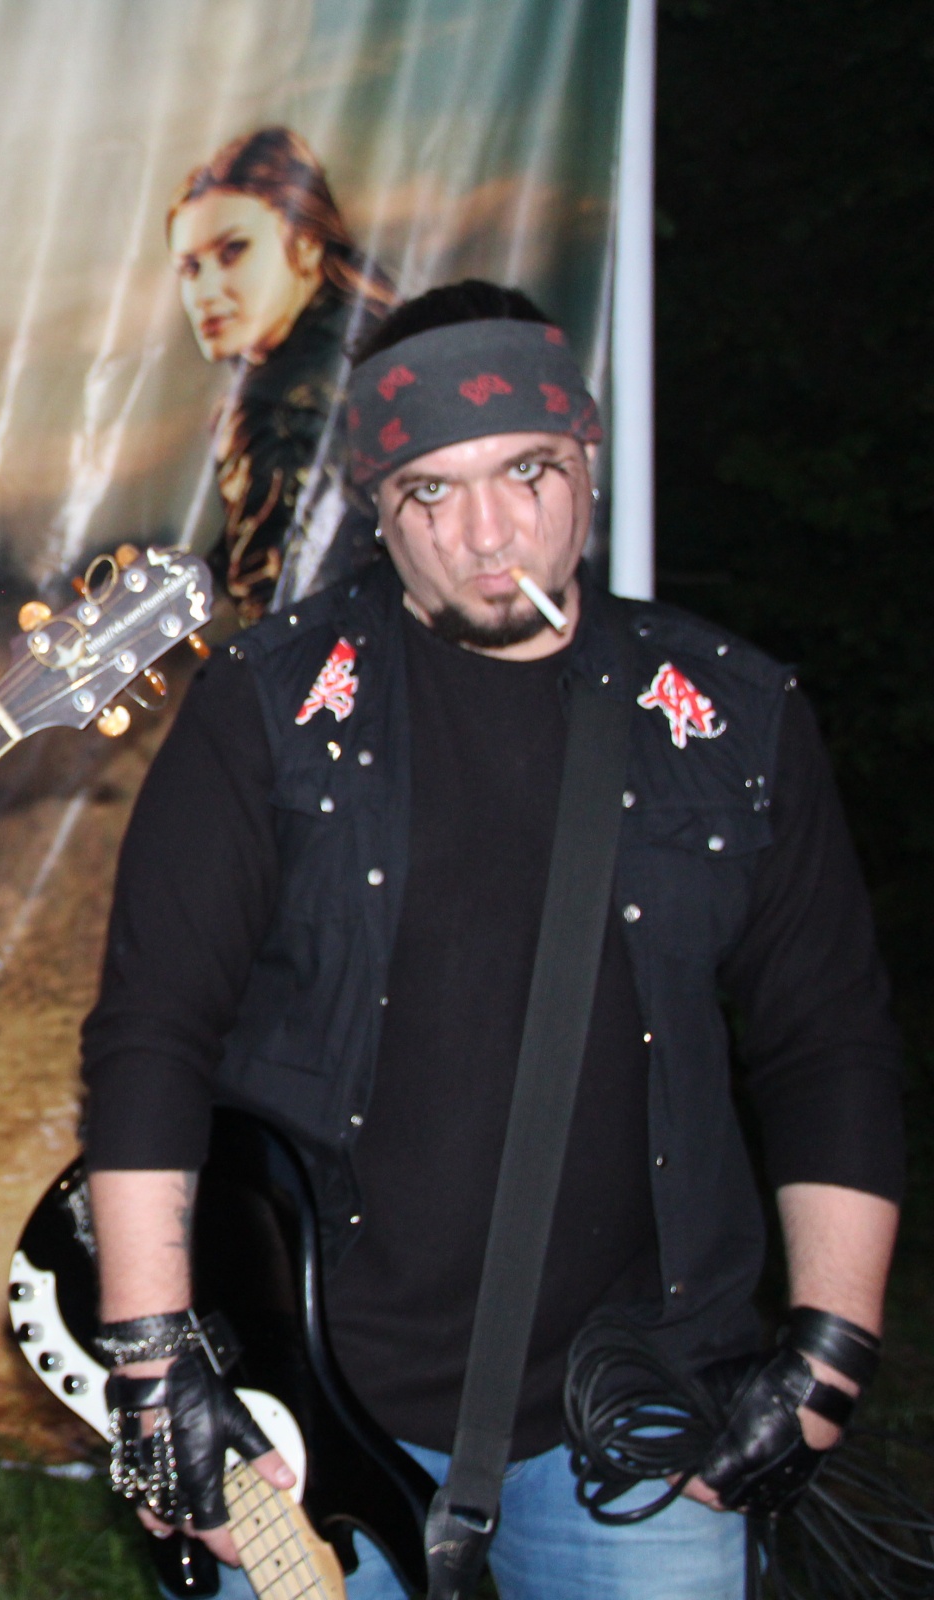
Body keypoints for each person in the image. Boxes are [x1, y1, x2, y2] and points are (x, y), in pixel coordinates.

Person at [80, 281, 904, 1597]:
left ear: (587, 458)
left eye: (528, 471)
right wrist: (153, 1362)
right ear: (375, 505)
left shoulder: (732, 717)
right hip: (308, 1391)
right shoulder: (271, 705)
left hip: (642, 1400)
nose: (488, 532)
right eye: (432, 490)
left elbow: (829, 1044)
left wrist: (827, 1355)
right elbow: (152, 1031)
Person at [167, 128, 398, 622]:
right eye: (190, 268)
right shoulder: (384, 338)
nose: (207, 292)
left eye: (233, 251)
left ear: (308, 243)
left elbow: (281, 616)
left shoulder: (275, 410)